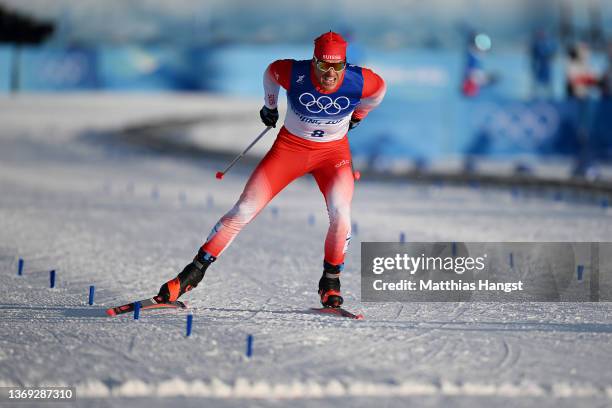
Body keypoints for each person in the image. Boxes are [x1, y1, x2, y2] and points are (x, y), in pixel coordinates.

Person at [156, 31, 386, 308]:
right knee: (243, 210)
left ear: (344, 64)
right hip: (290, 151)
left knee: (341, 216)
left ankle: (330, 282)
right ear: (314, 62)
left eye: (336, 66)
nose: (329, 73)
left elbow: (378, 92)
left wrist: (359, 116)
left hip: (333, 156)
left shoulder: (360, 80)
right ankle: (190, 275)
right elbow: (270, 73)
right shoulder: (293, 72)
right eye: (323, 65)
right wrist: (270, 106)